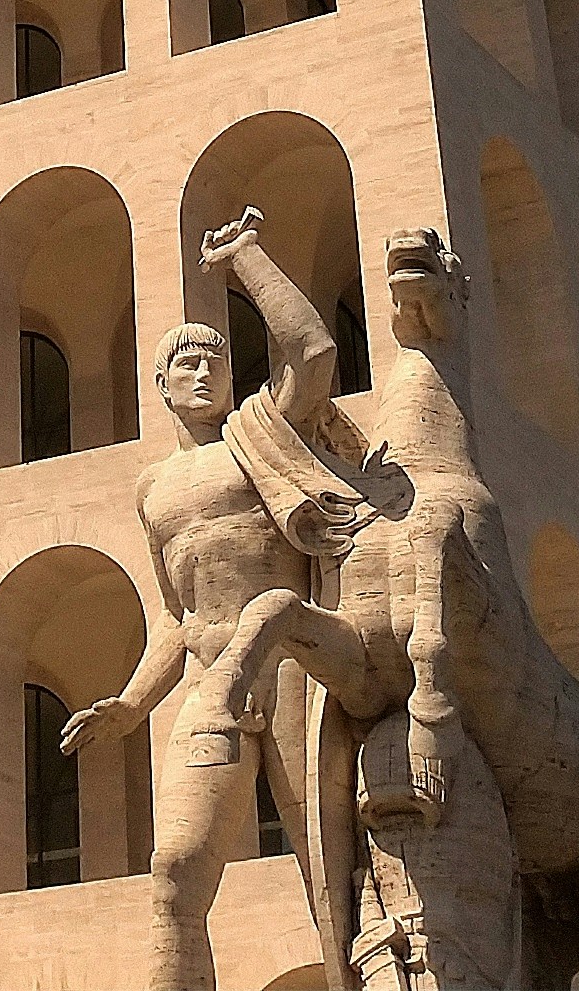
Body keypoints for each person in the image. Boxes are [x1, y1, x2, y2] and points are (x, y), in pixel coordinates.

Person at [61, 207, 384, 991]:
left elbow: (313, 351)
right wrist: (133, 706)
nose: (205, 373)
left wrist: (246, 261)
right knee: (175, 869)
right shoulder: (153, 489)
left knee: (330, 863)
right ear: (161, 387)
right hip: (212, 681)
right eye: (188, 365)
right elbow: (180, 615)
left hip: (292, 669)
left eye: (216, 361)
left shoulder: (261, 430)